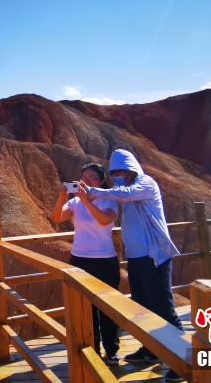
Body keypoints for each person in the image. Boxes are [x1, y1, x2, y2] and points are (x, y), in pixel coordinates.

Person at [80, 149, 183, 382]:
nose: (117, 176)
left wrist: (93, 191)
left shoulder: (145, 183)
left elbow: (126, 194)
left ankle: (182, 358)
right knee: (144, 307)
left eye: (121, 172)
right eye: (114, 172)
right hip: (137, 257)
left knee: (163, 307)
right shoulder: (124, 189)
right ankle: (150, 350)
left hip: (154, 256)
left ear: (131, 169)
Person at [51, 162, 121, 365]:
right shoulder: (75, 203)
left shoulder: (108, 199)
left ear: (101, 182)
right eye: (84, 179)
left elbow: (104, 220)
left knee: (107, 308)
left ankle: (112, 350)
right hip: (80, 259)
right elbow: (56, 217)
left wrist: (87, 201)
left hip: (105, 260)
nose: (86, 182)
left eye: (92, 178)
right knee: (86, 309)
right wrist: (62, 196)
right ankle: (93, 350)